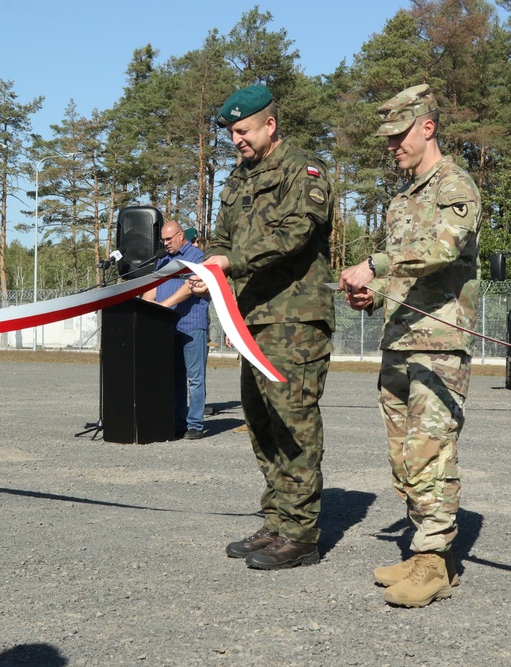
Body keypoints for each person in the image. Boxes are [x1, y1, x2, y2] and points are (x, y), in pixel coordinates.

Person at [338, 84, 481, 607]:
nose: (392, 146)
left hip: (440, 344)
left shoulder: (454, 184)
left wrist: (374, 265)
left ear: (428, 127)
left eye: (399, 135)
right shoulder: (402, 200)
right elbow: (401, 271)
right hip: (400, 341)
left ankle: (436, 561)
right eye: (388, 138)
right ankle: (424, 553)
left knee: (431, 450)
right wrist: (369, 296)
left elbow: (442, 247)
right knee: (403, 456)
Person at [192, 84, 335, 570]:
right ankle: (276, 521)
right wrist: (208, 272)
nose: (236, 140)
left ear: (269, 124)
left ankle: (302, 533)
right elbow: (222, 237)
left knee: (293, 420)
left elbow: (296, 232)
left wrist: (231, 261)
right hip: (250, 319)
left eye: (244, 130)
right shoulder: (236, 180)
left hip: (294, 320)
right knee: (260, 422)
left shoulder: (305, 170)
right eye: (231, 133)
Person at [142, 220, 208, 440]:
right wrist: (143, 309)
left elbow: (189, 287)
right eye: (163, 239)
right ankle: (178, 422)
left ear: (181, 235)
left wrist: (162, 306)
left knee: (195, 377)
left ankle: (195, 424)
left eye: (169, 239)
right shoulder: (163, 260)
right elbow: (152, 289)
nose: (166, 243)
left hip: (191, 326)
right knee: (175, 378)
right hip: (168, 327)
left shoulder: (197, 257)